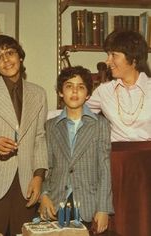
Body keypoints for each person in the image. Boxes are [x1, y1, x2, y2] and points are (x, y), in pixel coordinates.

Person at [0, 35, 48, 236]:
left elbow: (39, 137)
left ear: (20, 57)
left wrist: (38, 176)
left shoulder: (38, 93)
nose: (6, 60)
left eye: (10, 53)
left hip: (26, 184)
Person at [86, 30, 151, 236]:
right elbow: (77, 114)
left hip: (147, 169)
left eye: (113, 55)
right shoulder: (104, 91)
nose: (107, 61)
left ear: (133, 58)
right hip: (115, 168)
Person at [39, 66, 113, 234]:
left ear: (88, 94)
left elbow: (104, 169)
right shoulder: (51, 126)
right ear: (60, 92)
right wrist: (44, 195)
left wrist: (103, 208)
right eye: (68, 86)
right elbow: (46, 166)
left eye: (80, 87)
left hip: (88, 204)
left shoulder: (100, 124)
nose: (74, 91)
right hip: (57, 203)